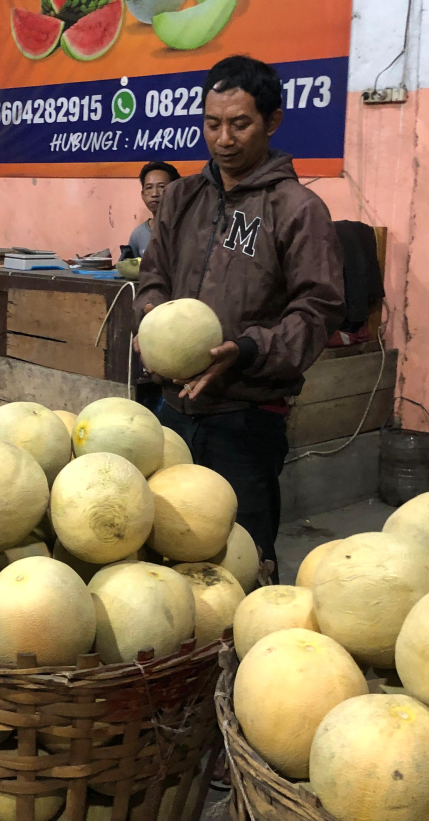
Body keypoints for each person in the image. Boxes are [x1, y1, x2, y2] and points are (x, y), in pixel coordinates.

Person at [134, 56, 344, 581]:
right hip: (174, 408)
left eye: (240, 124)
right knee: (162, 557)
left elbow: (317, 311)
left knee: (241, 563)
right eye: (212, 123)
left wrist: (247, 349)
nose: (223, 139)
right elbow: (154, 274)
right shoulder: (181, 197)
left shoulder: (297, 209)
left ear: (272, 121)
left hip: (247, 417)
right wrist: (151, 316)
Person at [127, 161, 180, 258]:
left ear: (176, 191)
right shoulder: (138, 234)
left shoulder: (187, 230)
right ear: (143, 194)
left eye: (162, 187)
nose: (154, 194)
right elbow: (129, 265)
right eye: (149, 187)